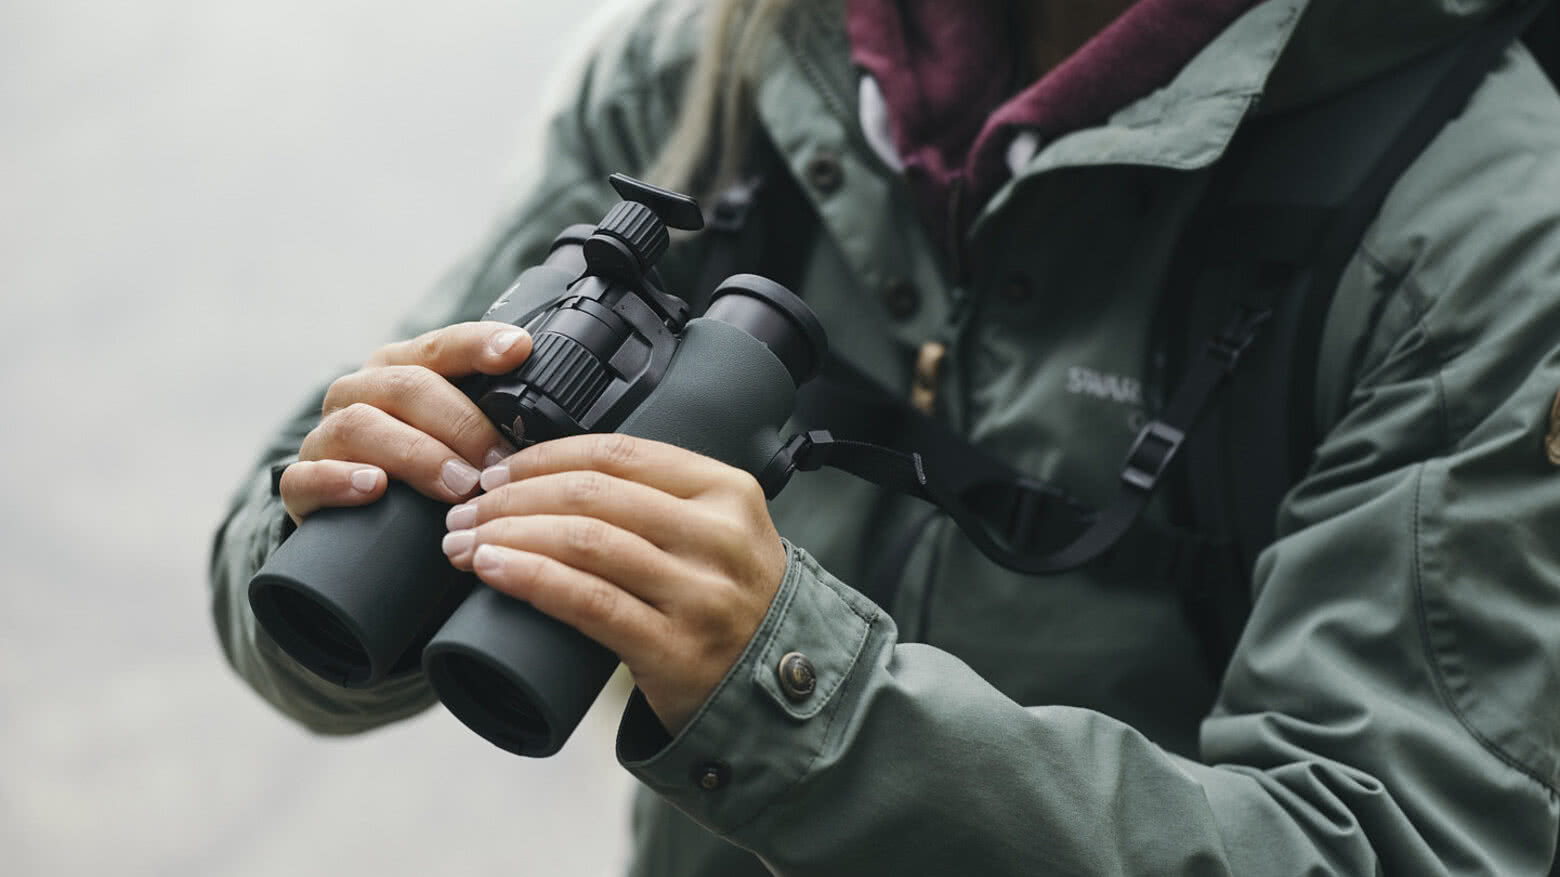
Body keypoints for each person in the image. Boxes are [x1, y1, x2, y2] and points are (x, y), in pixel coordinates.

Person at [210, 0, 1560, 872]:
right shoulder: (729, 63)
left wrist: (798, 692)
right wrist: (349, 510)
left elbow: (1394, 843)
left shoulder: (1486, 234)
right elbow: (286, 609)